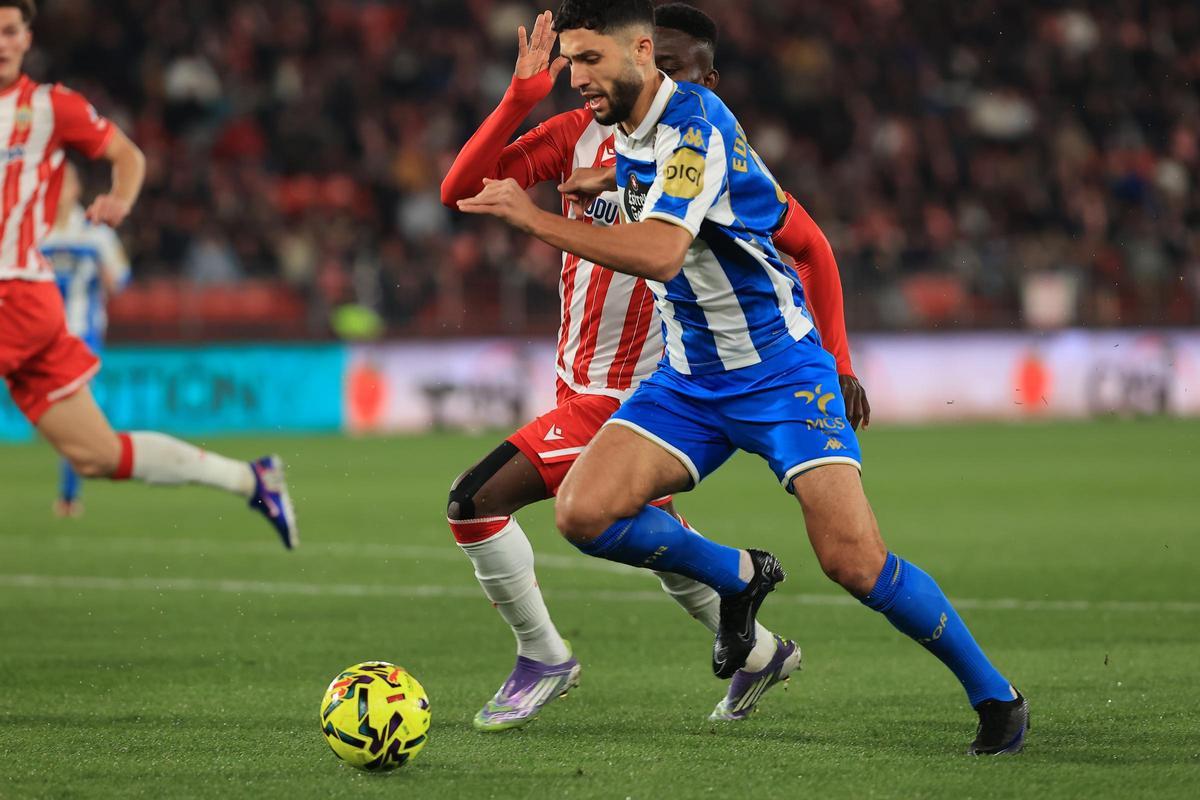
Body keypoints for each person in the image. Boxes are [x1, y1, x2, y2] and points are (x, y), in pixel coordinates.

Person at [458, 0, 1027, 755]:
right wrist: (606, 180)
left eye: (589, 60)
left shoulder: (696, 127)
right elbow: (655, 185)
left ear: (640, 52)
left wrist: (533, 219)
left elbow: (663, 252)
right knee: (583, 514)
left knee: (855, 564)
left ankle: (996, 696)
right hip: (689, 379)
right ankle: (738, 577)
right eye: (572, 62)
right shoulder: (635, 130)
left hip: (780, 374)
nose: (577, 78)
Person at [441, 6, 870, 730]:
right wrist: (518, 98)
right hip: (577, 378)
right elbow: (461, 191)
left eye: (676, 70)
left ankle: (544, 655)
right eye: (651, 63)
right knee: (661, 543)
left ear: (706, 80)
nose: (659, 79)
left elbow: (812, 247)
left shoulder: (709, 159)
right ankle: (761, 651)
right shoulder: (577, 135)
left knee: (474, 501)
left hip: (640, 393)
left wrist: (839, 361)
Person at [0, 1, 297, 547]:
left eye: (9, 31)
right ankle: (249, 478)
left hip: (13, 290)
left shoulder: (50, 106)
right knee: (97, 455)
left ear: (26, 38)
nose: (1, 42)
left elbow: (127, 155)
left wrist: (120, 198)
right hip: (31, 305)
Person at [42, 164, 127, 518]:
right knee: (58, 419)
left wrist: (108, 277)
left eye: (66, 181)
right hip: (42, 339)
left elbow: (120, 277)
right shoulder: (37, 231)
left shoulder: (94, 232)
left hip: (83, 336)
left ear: (76, 188)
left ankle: (68, 496)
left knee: (73, 413)